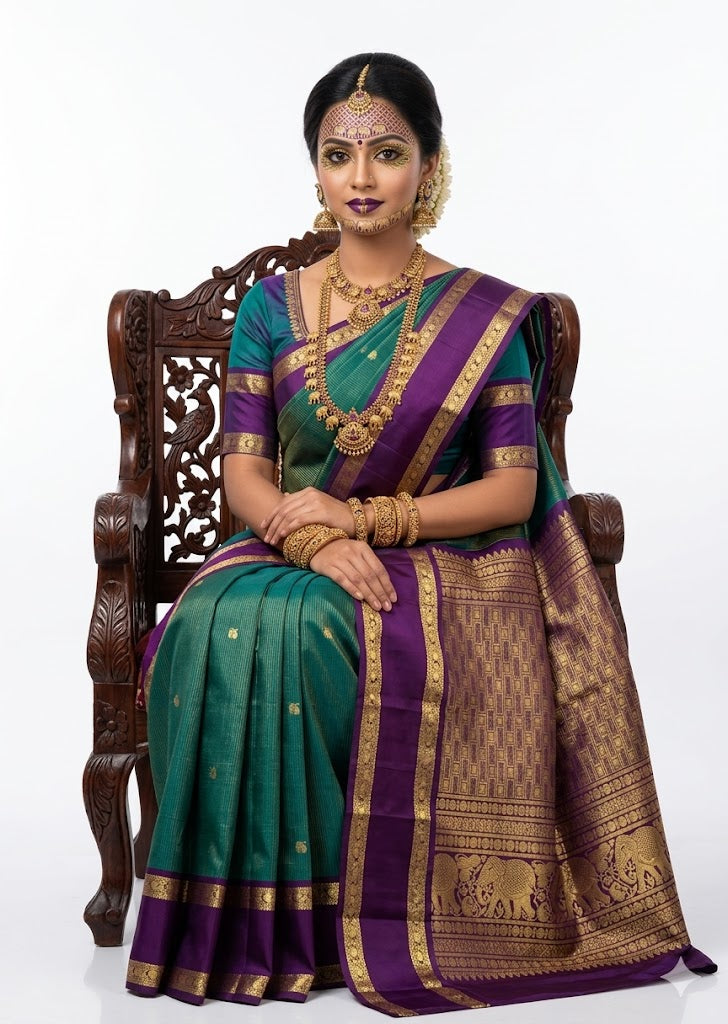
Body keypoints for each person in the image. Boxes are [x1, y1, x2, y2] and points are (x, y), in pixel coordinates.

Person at [125, 53, 715, 1014]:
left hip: (449, 563)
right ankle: (244, 921)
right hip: (287, 544)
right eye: (338, 154)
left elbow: (514, 491)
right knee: (206, 626)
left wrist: (367, 519)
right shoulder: (271, 310)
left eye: (387, 153)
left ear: (429, 166)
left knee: (316, 629)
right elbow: (244, 470)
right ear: (314, 169)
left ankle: (336, 925)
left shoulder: (486, 315)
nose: (361, 178)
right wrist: (309, 537)